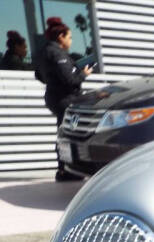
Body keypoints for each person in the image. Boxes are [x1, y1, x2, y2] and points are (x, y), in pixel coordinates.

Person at [40, 17, 93, 181]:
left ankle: (64, 170)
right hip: (65, 100)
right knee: (70, 135)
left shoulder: (44, 51)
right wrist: (83, 74)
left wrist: (52, 80)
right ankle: (68, 171)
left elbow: (38, 74)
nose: (71, 41)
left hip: (55, 98)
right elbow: (70, 81)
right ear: (61, 37)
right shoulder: (57, 53)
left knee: (63, 133)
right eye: (69, 37)